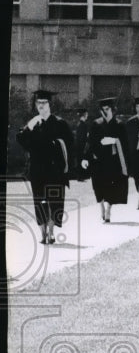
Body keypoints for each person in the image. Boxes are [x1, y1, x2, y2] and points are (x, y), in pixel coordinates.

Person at [14, 90, 75, 245]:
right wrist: (29, 126)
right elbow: (20, 138)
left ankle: (52, 232)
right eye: (38, 103)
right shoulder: (33, 123)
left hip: (54, 169)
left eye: (44, 103)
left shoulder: (60, 123)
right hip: (37, 169)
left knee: (54, 201)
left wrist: (58, 147)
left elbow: (70, 144)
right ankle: (43, 233)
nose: (41, 105)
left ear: (49, 104)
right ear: (36, 105)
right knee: (39, 201)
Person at [82, 97, 130, 223]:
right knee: (98, 186)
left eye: (107, 109)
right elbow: (89, 142)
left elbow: (125, 144)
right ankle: (101, 206)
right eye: (103, 110)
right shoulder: (96, 124)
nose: (105, 112)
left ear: (113, 110)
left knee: (111, 187)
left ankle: (108, 209)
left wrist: (114, 140)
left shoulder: (119, 125)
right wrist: (85, 158)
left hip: (113, 162)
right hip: (98, 161)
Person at [73, 107, 90, 181]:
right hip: (82, 145)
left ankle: (80, 176)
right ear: (84, 115)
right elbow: (83, 137)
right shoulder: (83, 125)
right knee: (81, 160)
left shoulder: (79, 124)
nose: (87, 116)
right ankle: (81, 176)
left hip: (78, 145)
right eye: (86, 114)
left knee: (79, 160)